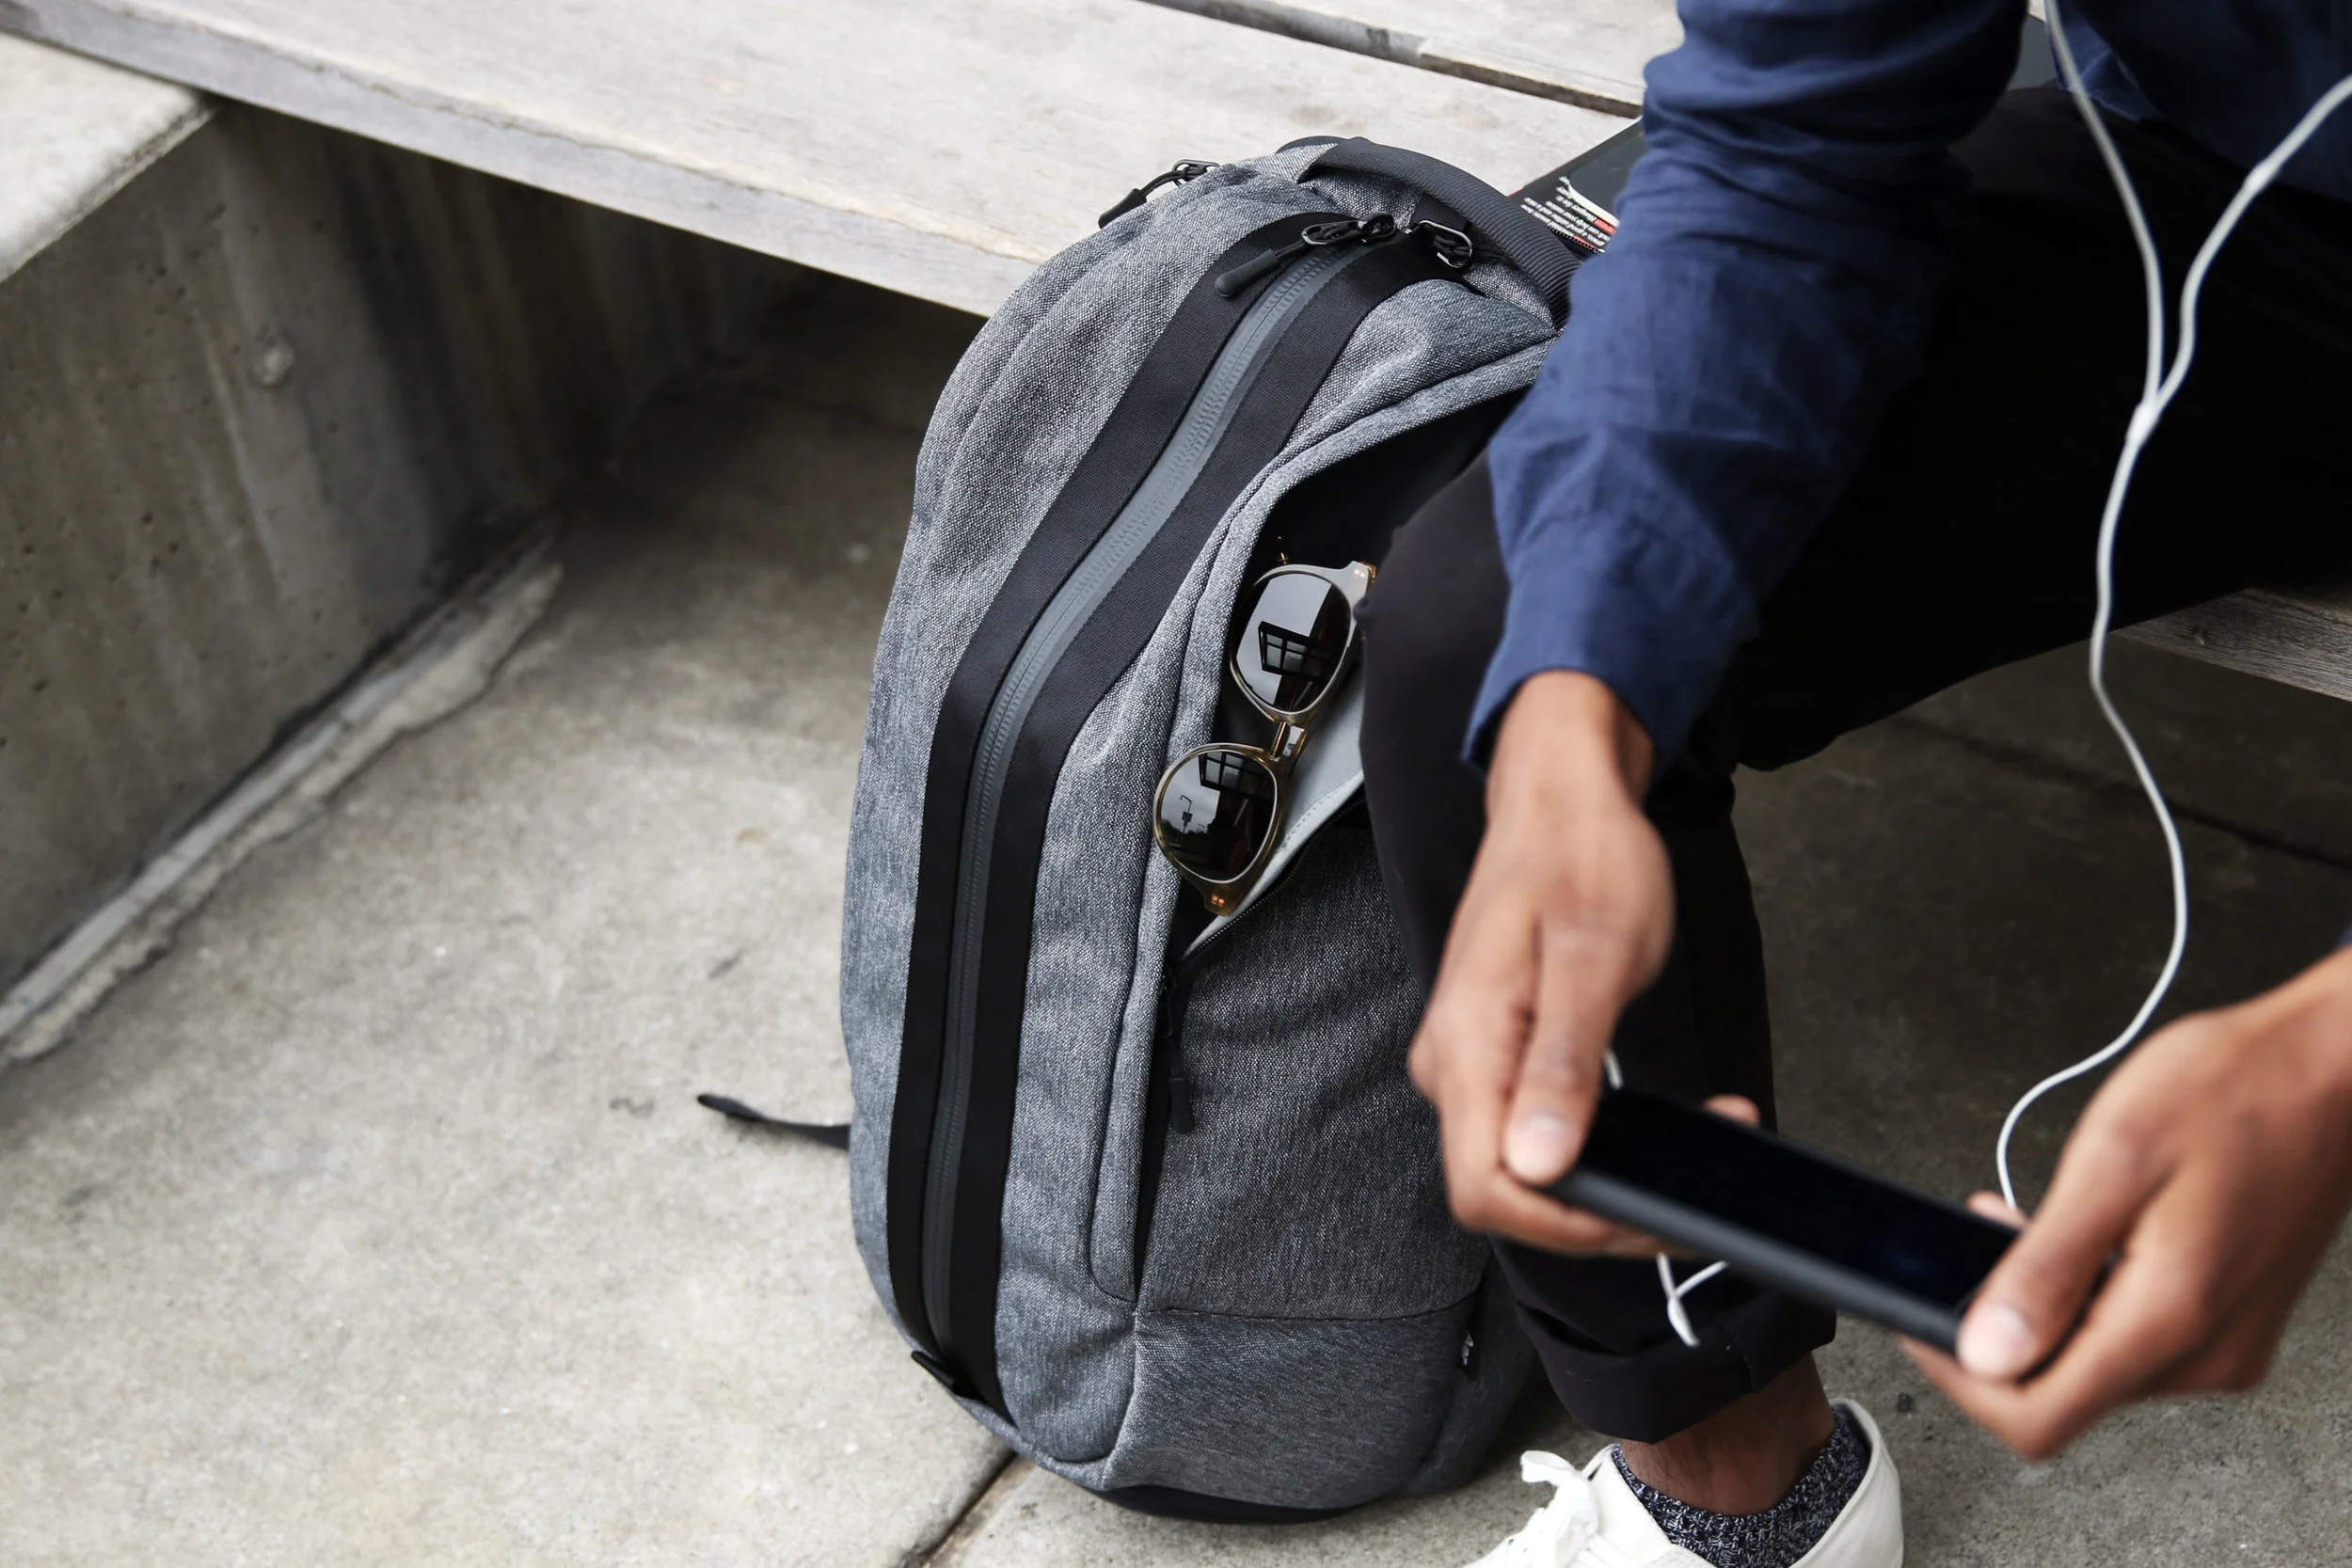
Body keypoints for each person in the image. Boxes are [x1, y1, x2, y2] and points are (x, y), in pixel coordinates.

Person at [1352, 2, 2352, 1563]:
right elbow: (1794, 129)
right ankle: (1745, 1499)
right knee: (1496, 634)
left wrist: (2324, 1060)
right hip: (2254, 195)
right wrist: (1576, 714)